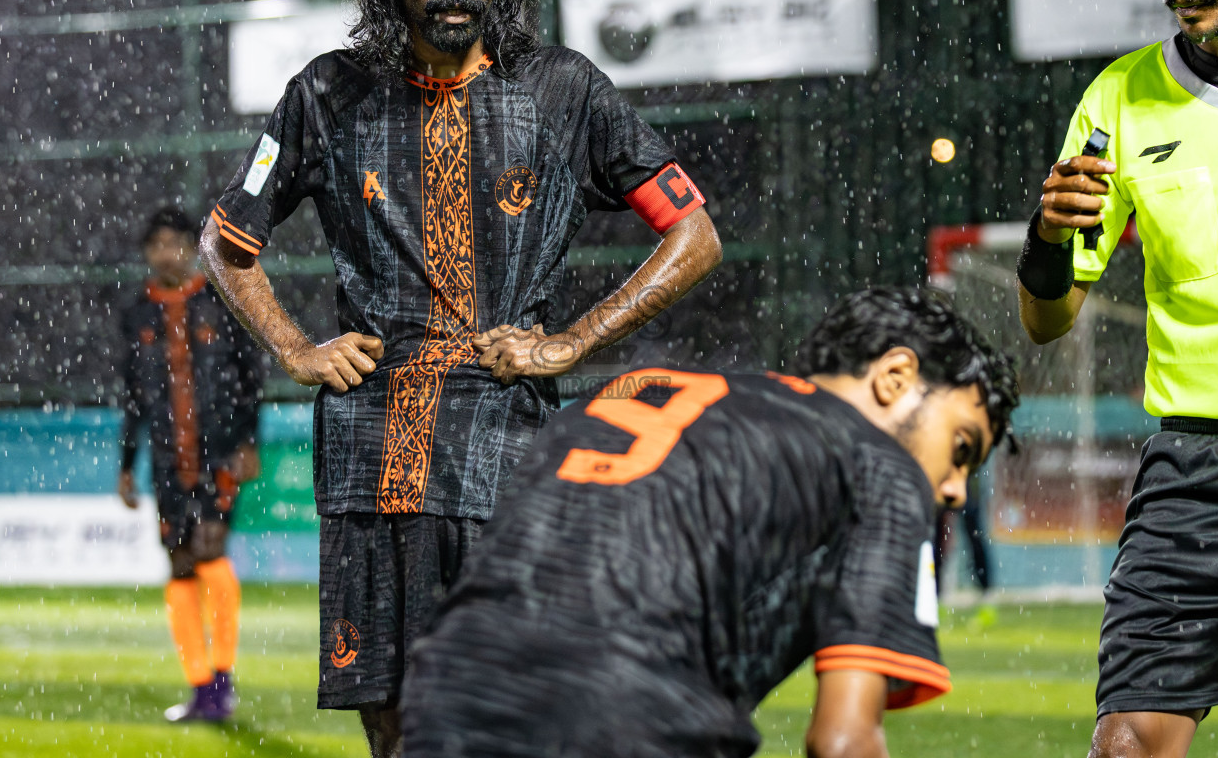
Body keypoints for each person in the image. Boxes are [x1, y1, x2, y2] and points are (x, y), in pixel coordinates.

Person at [200, 0, 722, 756]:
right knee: (398, 735)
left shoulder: (562, 92)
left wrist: (571, 342)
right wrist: (296, 349)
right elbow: (226, 241)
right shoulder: (327, 96)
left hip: (506, 456)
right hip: (370, 461)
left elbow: (694, 235)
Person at [398, 286, 1018, 758]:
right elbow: (844, 741)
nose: (955, 489)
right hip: (630, 716)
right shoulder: (883, 466)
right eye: (961, 447)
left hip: (446, 692)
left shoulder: (642, 391)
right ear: (895, 376)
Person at [1016, 0, 1218, 758]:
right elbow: (1046, 322)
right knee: (1127, 743)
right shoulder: (1119, 100)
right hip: (1196, 472)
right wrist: (1047, 242)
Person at [118, 205, 264, 722]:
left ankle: (222, 683)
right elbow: (133, 397)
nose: (165, 252)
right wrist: (125, 464)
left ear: (191, 248)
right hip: (165, 461)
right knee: (180, 564)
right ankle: (200, 686)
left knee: (210, 551)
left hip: (216, 453)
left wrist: (249, 441)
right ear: (147, 254)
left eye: (175, 242)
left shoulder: (220, 302)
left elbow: (250, 379)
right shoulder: (137, 313)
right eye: (156, 244)